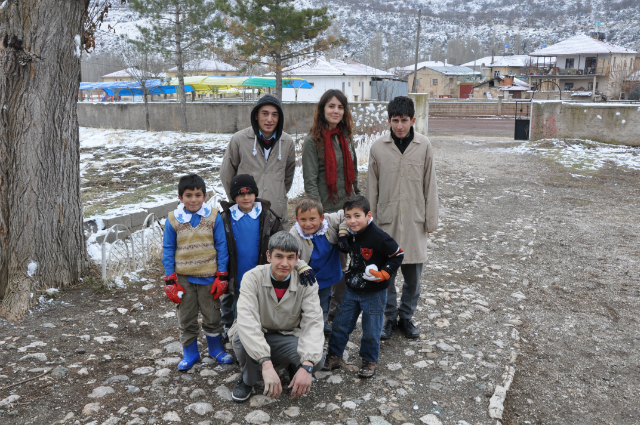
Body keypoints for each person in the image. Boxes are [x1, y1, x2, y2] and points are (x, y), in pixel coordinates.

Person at [367, 96, 439, 340]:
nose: (400, 126)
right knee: (386, 276)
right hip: (386, 221)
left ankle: (406, 317)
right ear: (388, 120)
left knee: (413, 277)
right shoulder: (378, 147)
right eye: (395, 120)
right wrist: (370, 224)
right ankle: (389, 317)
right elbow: (371, 189)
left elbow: (431, 185)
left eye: (405, 120)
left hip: (414, 219)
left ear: (413, 121)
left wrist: (431, 220)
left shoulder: (424, 145)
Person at [229, 231, 326, 403]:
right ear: (269, 256)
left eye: (290, 257)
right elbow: (247, 321)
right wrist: (265, 363)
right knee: (240, 338)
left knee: (317, 360)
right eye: (278, 256)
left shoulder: (306, 281)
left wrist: (307, 366)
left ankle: (294, 368)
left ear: (297, 259)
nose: (284, 263)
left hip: (286, 336)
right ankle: (248, 380)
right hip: (259, 331)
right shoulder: (252, 277)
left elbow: (313, 322)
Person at [219, 174, 317, 336]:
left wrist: (301, 266)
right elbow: (218, 247)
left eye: (249, 193)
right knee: (232, 303)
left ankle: (256, 334)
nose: (246, 197)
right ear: (234, 196)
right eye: (240, 194)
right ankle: (231, 330)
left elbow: (283, 247)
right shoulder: (225, 218)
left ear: (255, 194)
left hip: (260, 273)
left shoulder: (268, 217)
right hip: (234, 274)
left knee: (257, 304)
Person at [323, 195, 404, 378]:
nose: (352, 221)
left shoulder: (380, 237)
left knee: (371, 330)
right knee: (340, 324)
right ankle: (334, 355)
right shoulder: (352, 231)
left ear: (369, 215)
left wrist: (385, 273)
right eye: (348, 216)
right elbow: (343, 230)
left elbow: (398, 254)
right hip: (352, 289)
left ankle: (369, 360)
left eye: (357, 216)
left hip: (374, 293)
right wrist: (343, 234)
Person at [162, 174, 233, 370]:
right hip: (183, 279)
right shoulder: (173, 220)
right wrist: (169, 279)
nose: (193, 200)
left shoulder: (214, 217)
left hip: (209, 278)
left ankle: (215, 348)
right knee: (186, 315)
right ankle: (190, 352)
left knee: (212, 314)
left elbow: (222, 246)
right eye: (188, 195)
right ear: (180, 197)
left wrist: (222, 275)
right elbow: (168, 249)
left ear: (205, 196)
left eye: (198, 195)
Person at [301, 89, 359, 324]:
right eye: (331, 106)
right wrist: (318, 216)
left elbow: (353, 176)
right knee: (324, 264)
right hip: (324, 213)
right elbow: (311, 182)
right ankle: (318, 312)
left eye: (340, 107)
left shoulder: (346, 138)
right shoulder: (311, 141)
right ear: (322, 109)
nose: (336, 111)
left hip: (346, 212)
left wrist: (358, 205)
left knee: (345, 263)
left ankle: (338, 309)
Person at [220, 94, 296, 226]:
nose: (269, 119)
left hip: (276, 213)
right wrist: (237, 199)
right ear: (256, 115)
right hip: (245, 212)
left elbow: (287, 177)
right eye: (265, 114)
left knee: (276, 246)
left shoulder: (287, 142)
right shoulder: (239, 140)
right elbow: (226, 174)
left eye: (275, 115)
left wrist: (278, 195)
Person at [289, 197, 347, 335]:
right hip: (307, 274)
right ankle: (304, 324)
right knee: (305, 300)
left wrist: (343, 232)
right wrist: (301, 266)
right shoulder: (294, 233)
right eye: (303, 219)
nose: (308, 224)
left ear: (321, 217)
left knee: (324, 298)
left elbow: (346, 213)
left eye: (312, 219)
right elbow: (290, 254)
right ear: (297, 219)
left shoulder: (329, 221)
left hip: (327, 271)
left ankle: (323, 322)